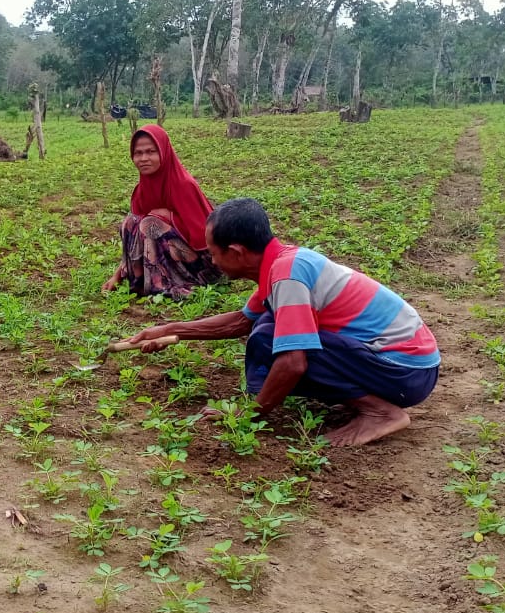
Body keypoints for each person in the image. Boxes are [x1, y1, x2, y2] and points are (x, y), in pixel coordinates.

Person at [120, 197, 441, 447]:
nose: (213, 261)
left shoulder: (287, 275)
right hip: (402, 363)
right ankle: (369, 400)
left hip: (405, 370)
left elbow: (293, 363)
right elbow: (240, 322)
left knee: (276, 341)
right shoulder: (280, 263)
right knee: (265, 330)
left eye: (215, 253)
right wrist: (169, 329)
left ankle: (380, 412)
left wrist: (244, 417)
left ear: (237, 252)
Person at [102, 124, 224, 298]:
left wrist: (167, 217)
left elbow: (203, 236)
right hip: (172, 253)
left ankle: (163, 283)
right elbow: (134, 236)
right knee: (130, 222)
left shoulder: (183, 185)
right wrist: (116, 276)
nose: (144, 158)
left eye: (151, 152)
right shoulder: (141, 191)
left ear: (163, 153)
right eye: (138, 153)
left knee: (150, 223)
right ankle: (139, 278)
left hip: (205, 262)